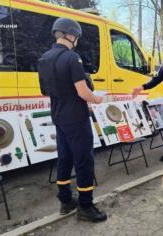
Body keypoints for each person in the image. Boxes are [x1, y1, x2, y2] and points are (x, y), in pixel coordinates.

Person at [37, 17, 107, 222]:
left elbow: (44, 91)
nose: (76, 40)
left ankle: (65, 200)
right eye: (76, 37)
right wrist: (98, 98)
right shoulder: (71, 58)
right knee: (84, 160)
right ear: (71, 35)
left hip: (58, 116)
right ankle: (85, 206)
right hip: (76, 118)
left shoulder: (43, 59)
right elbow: (83, 92)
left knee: (64, 158)